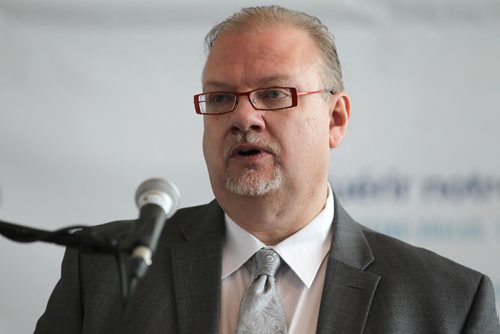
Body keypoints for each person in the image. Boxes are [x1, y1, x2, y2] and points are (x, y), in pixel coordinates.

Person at [35, 5, 499, 334]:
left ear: (334, 120)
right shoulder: (104, 271)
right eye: (220, 98)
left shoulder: (450, 302)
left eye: (275, 94)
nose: (243, 117)